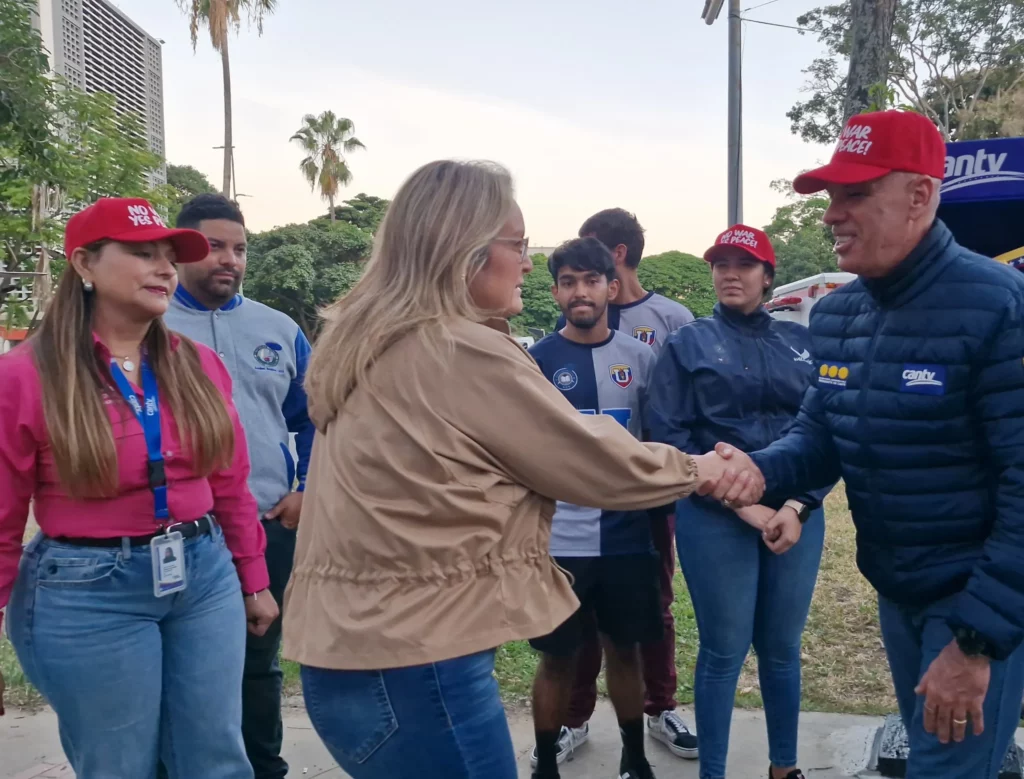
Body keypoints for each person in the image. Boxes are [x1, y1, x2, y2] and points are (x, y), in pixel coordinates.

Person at [280, 159, 763, 779]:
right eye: (518, 244)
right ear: (466, 250)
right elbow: (584, 457)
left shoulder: (374, 339)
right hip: (419, 661)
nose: (530, 264)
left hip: (352, 651)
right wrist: (702, 468)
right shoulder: (457, 348)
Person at [721, 110, 1024, 779]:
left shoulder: (1001, 306)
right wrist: (755, 471)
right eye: (832, 196)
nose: (832, 214)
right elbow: (820, 433)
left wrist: (974, 642)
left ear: (919, 195)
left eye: (855, 194)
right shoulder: (838, 314)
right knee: (929, 755)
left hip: (972, 598)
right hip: (897, 588)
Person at [0, 197, 278, 777]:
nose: (165, 269)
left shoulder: (197, 365)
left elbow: (229, 482)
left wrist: (253, 578)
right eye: (143, 254)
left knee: (218, 760)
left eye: (169, 257)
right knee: (121, 766)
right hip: (87, 589)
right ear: (85, 263)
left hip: (203, 575)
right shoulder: (26, 375)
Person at [647, 224, 834, 779]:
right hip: (714, 515)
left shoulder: (802, 342)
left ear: (767, 277)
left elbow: (828, 432)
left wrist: (797, 506)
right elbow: (669, 436)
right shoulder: (687, 344)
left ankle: (784, 768)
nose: (731, 274)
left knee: (781, 648)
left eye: (744, 264)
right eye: (721, 264)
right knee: (724, 650)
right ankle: (713, 772)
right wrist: (744, 506)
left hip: (795, 515)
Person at [164, 193, 314, 779]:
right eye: (214, 247)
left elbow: (316, 419)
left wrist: (306, 489)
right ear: (181, 251)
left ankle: (263, 767)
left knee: (258, 661)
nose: (230, 259)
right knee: (180, 665)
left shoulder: (278, 329)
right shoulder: (149, 325)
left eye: (240, 249)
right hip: (177, 532)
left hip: (268, 523)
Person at [555, 208, 699, 763]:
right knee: (576, 614)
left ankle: (659, 707)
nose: (581, 284)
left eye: (591, 267)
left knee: (652, 607)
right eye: (570, 277)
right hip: (574, 509)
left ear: (613, 262)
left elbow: (676, 411)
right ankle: (572, 717)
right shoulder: (560, 340)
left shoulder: (670, 318)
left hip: (643, 503)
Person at [528, 237, 664, 779]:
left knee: (625, 652)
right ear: (556, 291)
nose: (579, 292)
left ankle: (635, 758)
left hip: (626, 537)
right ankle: (545, 766)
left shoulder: (641, 357)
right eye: (568, 282)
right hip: (559, 541)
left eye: (590, 281)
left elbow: (655, 443)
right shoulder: (536, 360)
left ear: (611, 286)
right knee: (557, 657)